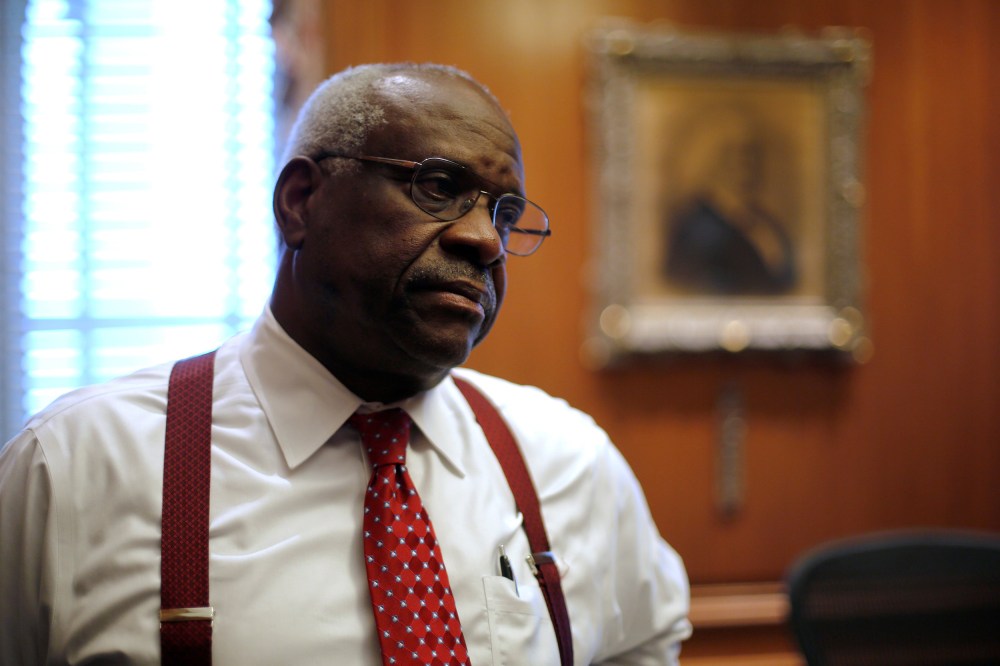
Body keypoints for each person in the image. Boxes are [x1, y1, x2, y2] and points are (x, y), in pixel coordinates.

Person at [0, 63, 691, 664]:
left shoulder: (564, 460)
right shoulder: (76, 467)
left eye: (506, 215)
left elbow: (645, 644)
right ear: (301, 202)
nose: (485, 240)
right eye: (438, 187)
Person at [663, 104, 796, 295]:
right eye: (740, 154)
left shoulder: (765, 222)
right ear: (714, 161)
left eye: (753, 154)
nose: (750, 165)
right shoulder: (696, 226)